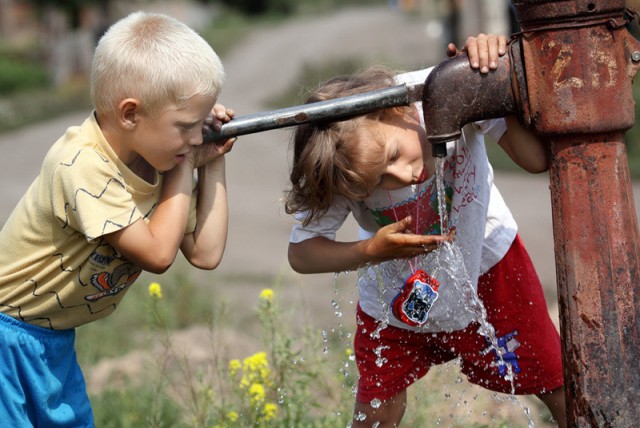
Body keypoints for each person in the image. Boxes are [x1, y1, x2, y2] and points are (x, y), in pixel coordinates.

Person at [284, 34, 566, 427]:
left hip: (489, 269)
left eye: (394, 157)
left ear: (398, 110)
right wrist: (369, 253)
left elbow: (537, 160)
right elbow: (301, 253)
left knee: (555, 383)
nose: (402, 177)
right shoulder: (344, 159)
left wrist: (495, 78)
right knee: (376, 412)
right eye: (379, 181)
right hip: (397, 301)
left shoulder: (446, 93)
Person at [0, 11, 235, 426]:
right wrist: (184, 167)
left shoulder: (158, 160)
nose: (197, 138)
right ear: (130, 115)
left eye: (202, 126)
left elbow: (206, 252)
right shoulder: (81, 163)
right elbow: (158, 254)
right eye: (186, 127)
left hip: (52, 341)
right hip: (6, 336)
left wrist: (210, 164)